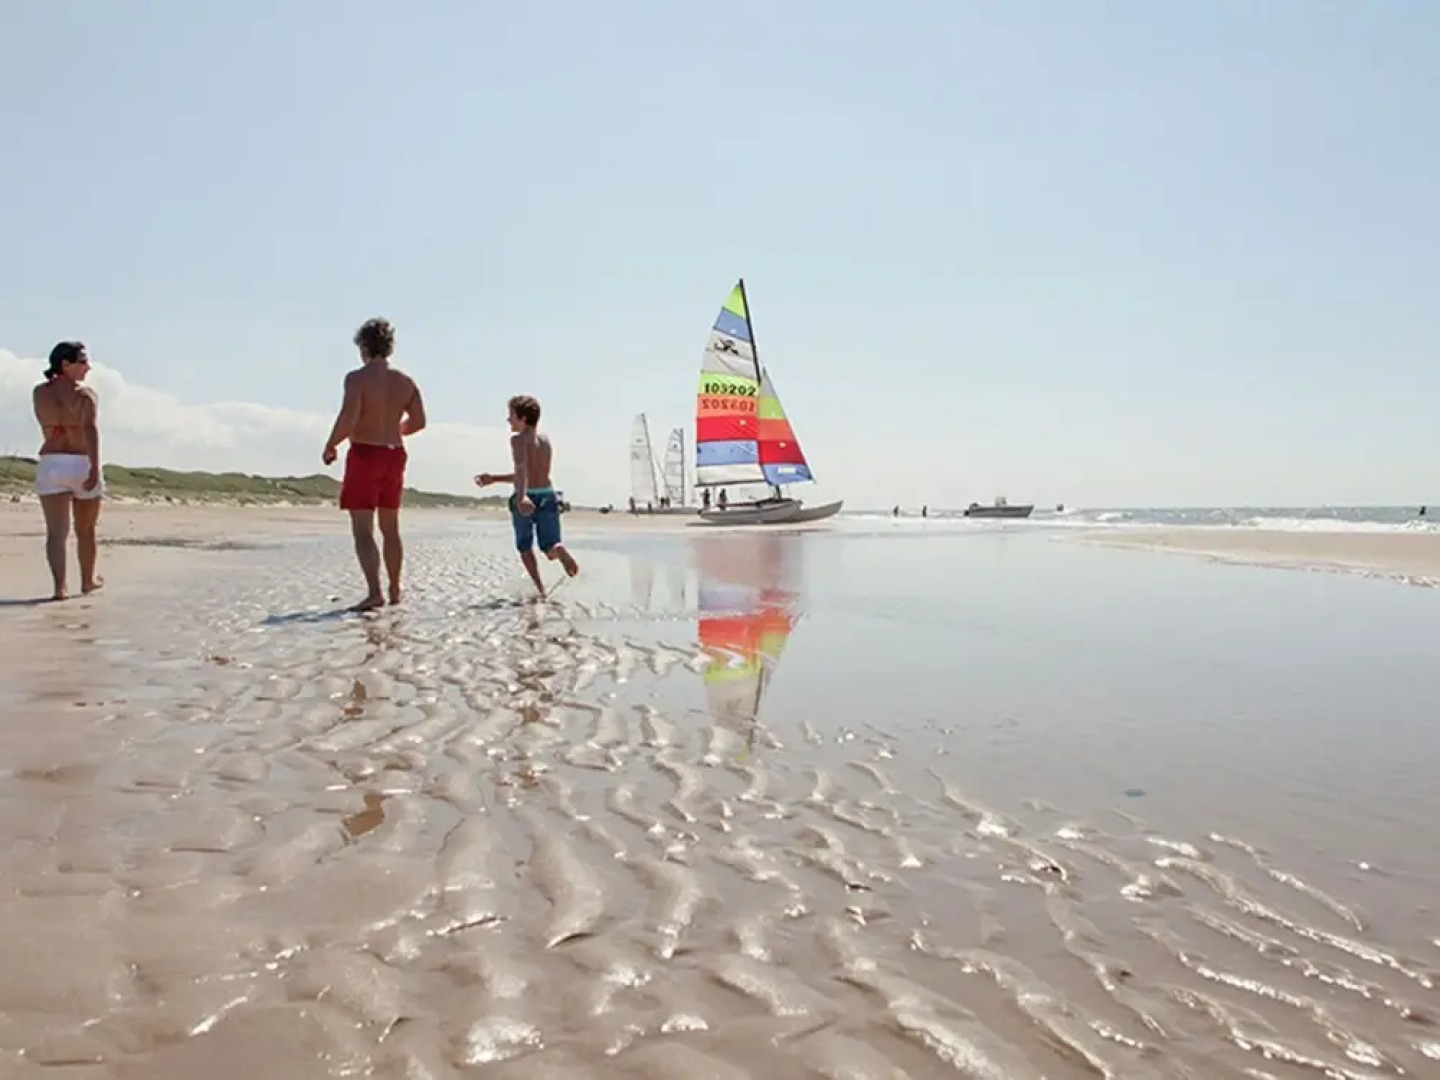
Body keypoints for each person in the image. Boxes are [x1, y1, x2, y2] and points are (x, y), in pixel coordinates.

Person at [322, 318, 426, 611]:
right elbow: (419, 422)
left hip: (366, 452)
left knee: (363, 529)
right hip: (395, 454)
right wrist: (395, 430)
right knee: (390, 527)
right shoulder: (406, 381)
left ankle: (374, 592)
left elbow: (349, 418)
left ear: (364, 346)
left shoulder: (357, 378)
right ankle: (395, 589)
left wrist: (331, 444)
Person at [475, 394, 579, 597]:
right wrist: (494, 479)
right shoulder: (545, 441)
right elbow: (530, 474)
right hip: (548, 494)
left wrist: (522, 496)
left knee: (525, 546)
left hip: (527, 496)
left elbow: (522, 469)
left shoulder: (517, 441)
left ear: (522, 419)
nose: (508, 420)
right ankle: (559, 550)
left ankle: (541, 589)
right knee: (550, 546)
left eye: (511, 415)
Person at [31, 341, 104, 600]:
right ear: (65, 364)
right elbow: (90, 430)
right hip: (80, 461)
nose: (88, 367)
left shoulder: (40, 393)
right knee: (86, 529)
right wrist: (95, 467)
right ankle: (88, 580)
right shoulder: (86, 395)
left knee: (56, 533)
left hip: (52, 461)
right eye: (82, 362)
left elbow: (47, 421)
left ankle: (59, 588)